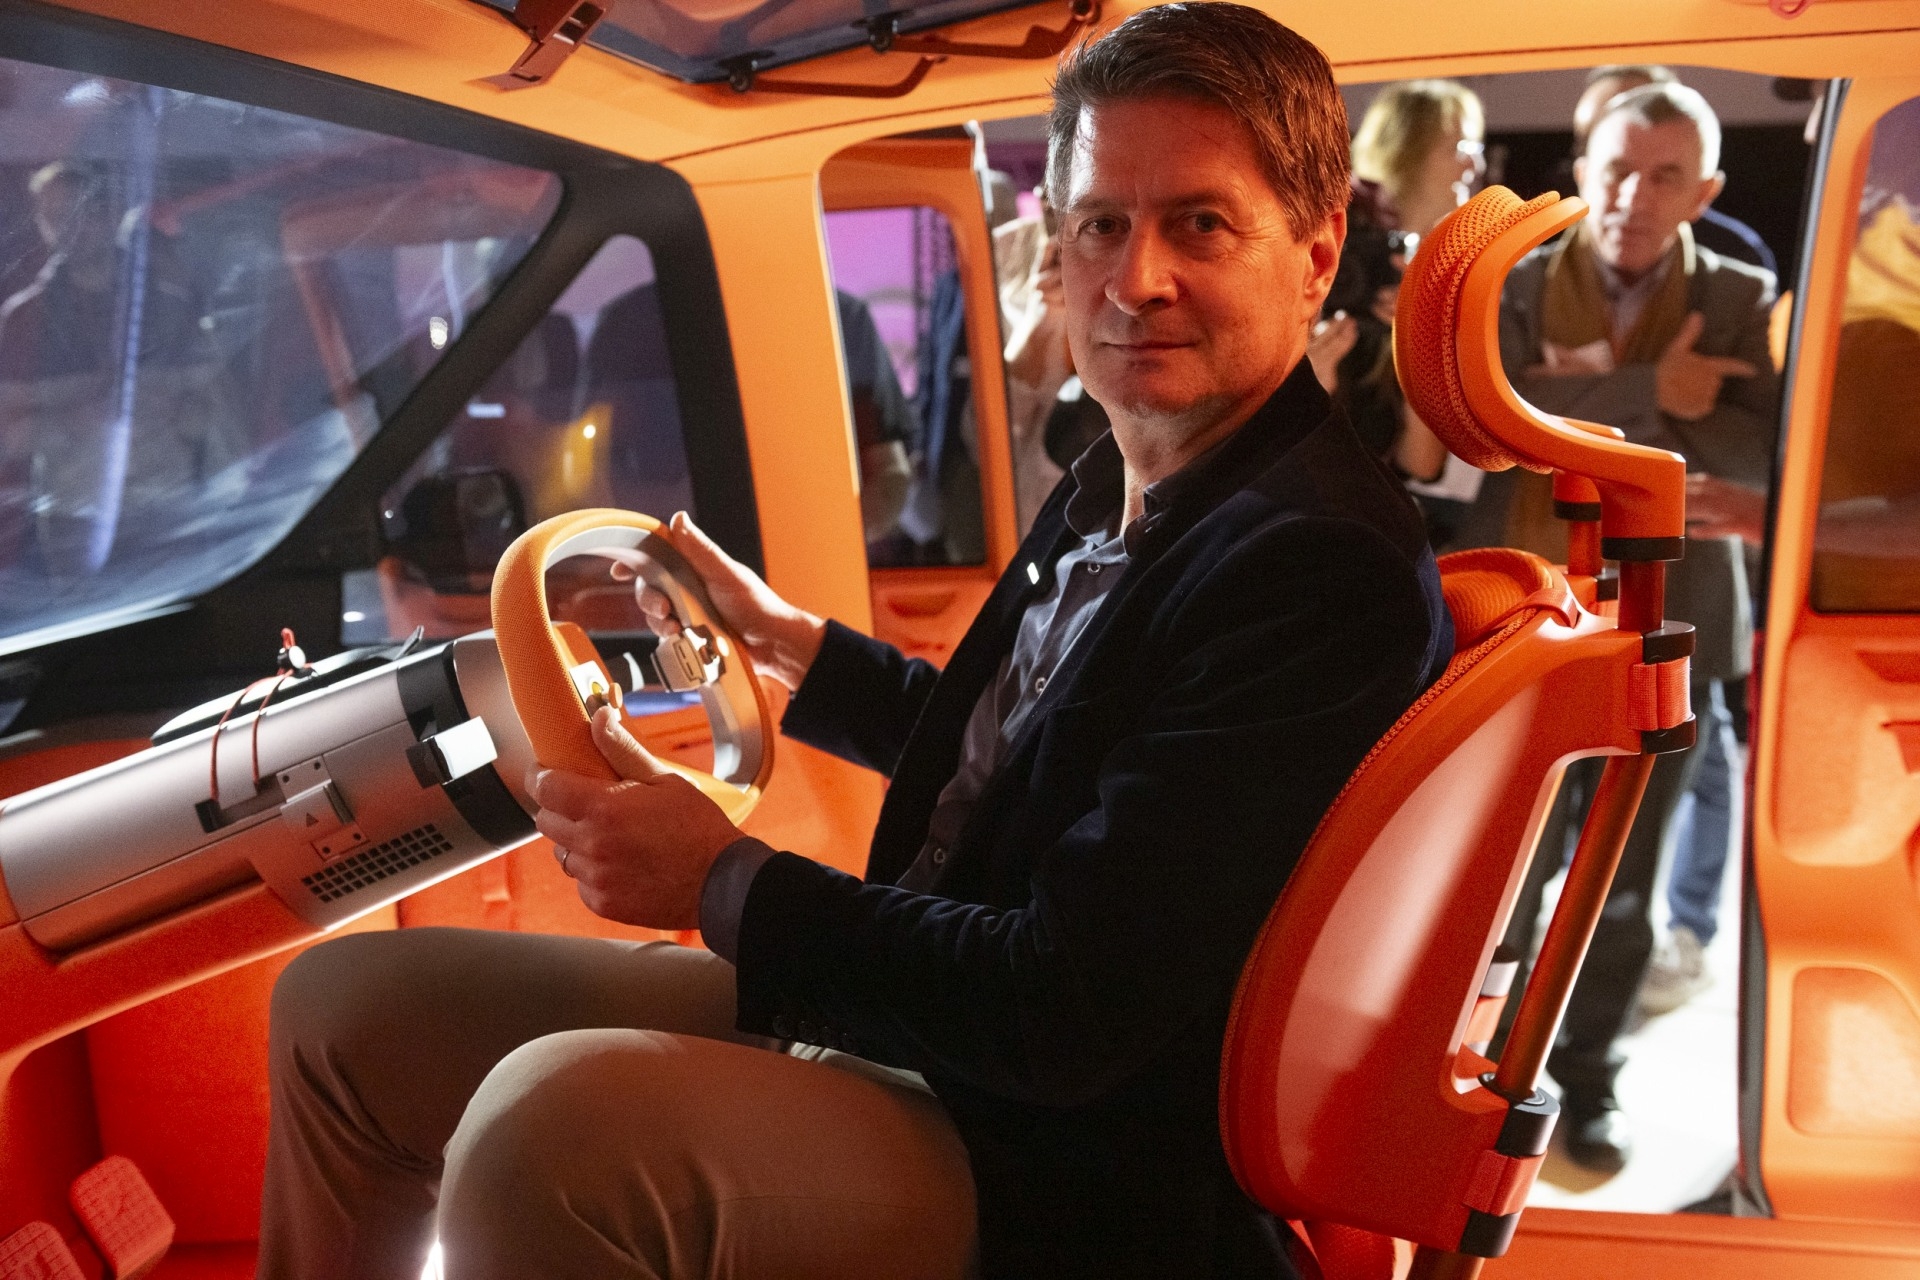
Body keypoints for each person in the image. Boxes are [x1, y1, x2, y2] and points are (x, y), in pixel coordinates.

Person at [256, 6, 1453, 1277]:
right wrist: (794, 648)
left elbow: (1068, 1005)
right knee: (348, 1013)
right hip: (930, 1022)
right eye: (1102, 223)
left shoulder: (1321, 568)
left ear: (1316, 255)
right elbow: (1040, 753)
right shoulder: (1124, 476)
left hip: (1058, 1157)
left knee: (546, 1133)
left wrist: (722, 880)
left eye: (1199, 224)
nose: (1135, 277)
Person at [1482, 81, 1779, 1172]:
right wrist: (1662, 389)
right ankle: (1487, 1073)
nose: (1632, 197)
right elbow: (1496, 426)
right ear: (1580, 169)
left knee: (1624, 880)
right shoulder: (1514, 284)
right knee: (1506, 873)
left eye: (1664, 177)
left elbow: (1766, 453)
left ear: (1705, 191)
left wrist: (1589, 397)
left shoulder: (1745, 296)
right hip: (1534, 614)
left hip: (1674, 623)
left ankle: (1587, 1077)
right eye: (1614, 169)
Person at [1342, 80, 1489, 540]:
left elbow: (1423, 463)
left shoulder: (1457, 271)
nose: (1475, 164)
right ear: (1404, 152)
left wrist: (1424, 334)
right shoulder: (1333, 253)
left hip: (1412, 524)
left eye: (1476, 147)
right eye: (1460, 146)